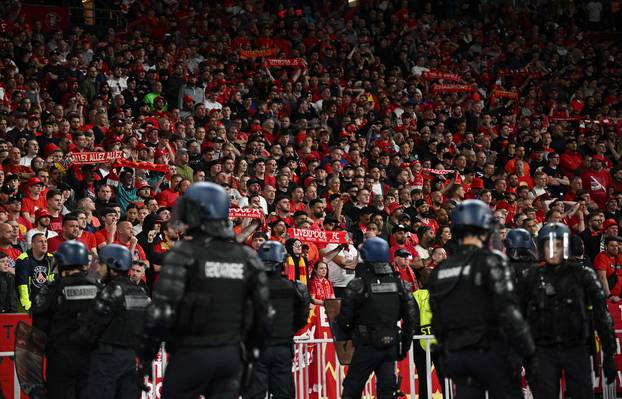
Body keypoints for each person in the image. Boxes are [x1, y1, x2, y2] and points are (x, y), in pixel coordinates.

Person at [137, 182, 273, 399]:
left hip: (191, 353)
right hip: (231, 355)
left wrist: (145, 357)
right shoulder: (247, 257)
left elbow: (160, 312)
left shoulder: (184, 254)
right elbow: (264, 315)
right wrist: (251, 359)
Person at [428, 199, 536, 398]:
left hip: (458, 356)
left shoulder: (440, 270)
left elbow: (437, 321)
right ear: (486, 229)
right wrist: (529, 352)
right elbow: (509, 312)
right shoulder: (492, 261)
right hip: (491, 352)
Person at [521, 223, 618, 398]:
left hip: (576, 347)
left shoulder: (583, 275)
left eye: (558, 245)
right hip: (543, 349)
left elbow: (602, 314)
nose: (553, 250)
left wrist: (609, 355)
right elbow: (518, 317)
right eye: (548, 245)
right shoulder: (532, 276)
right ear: (541, 247)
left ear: (565, 247)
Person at [337, 237, 416, 399]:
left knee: (352, 389)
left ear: (366, 256)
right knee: (388, 391)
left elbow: (344, 320)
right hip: (390, 346)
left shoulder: (358, 285)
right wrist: (404, 347)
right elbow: (410, 318)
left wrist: (353, 334)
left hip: (366, 346)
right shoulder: (400, 285)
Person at [75, 244, 150, 399]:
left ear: (113, 268)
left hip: (107, 358)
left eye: (102, 264)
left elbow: (92, 326)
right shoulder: (141, 292)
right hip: (131, 358)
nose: (97, 269)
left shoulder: (112, 290)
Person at [30, 240, 100, 399]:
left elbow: (39, 322)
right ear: (84, 264)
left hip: (61, 358)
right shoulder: (98, 288)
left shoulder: (53, 288)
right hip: (91, 358)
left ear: (61, 263)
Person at [244, 240, 310, 399]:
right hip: (282, 347)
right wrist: (289, 329)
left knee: (254, 394)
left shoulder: (248, 287)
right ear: (282, 263)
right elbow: (302, 317)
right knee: (284, 394)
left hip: (256, 348)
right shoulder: (295, 287)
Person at [15, 233, 54, 311]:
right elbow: (23, 286)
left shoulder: (51, 259)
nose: (44, 244)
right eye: (40, 241)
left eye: (45, 241)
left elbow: (53, 283)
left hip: (45, 303)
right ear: (32, 244)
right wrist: (28, 307)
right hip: (28, 303)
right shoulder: (23, 260)